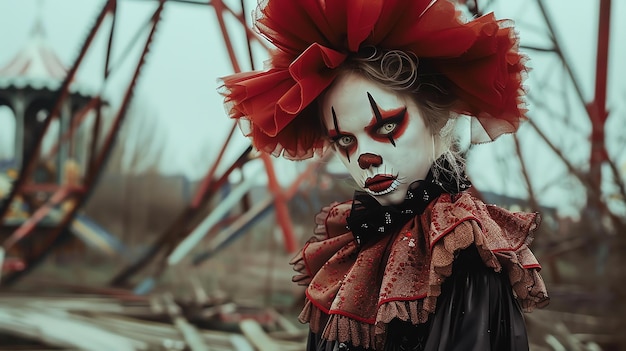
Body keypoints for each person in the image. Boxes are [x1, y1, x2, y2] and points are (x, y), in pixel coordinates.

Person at [219, 0, 549, 350]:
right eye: (344, 139)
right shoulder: (354, 249)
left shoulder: (462, 256)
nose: (363, 157)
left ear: (435, 121)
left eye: (386, 125)